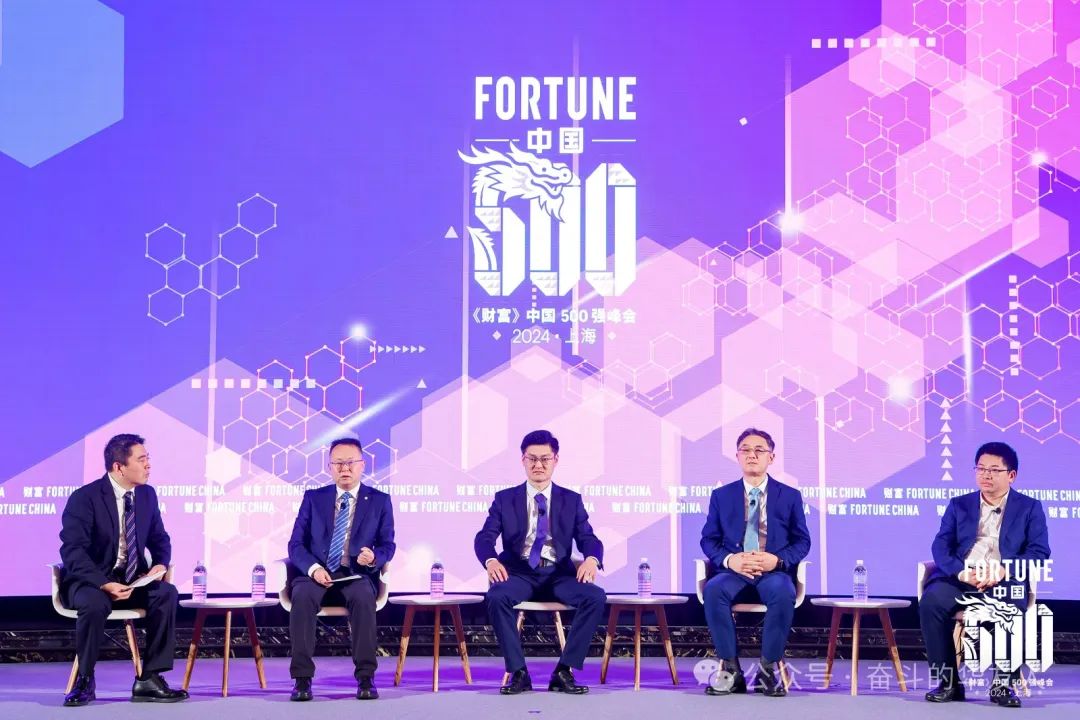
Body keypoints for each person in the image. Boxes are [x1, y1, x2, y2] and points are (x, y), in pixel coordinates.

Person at [59, 433, 188, 706]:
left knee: (166, 594)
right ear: (119, 467)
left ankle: (149, 678)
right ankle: (85, 679)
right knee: (94, 604)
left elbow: (160, 539)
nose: (148, 465)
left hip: (131, 581)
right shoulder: (85, 498)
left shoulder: (146, 495)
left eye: (148, 458)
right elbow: (73, 551)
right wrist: (104, 583)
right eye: (141, 460)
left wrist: (160, 564)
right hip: (91, 582)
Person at [475, 429, 606, 695]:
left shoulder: (571, 500)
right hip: (519, 574)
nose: (538, 465)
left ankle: (564, 671)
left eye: (545, 459)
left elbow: (588, 538)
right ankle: (519, 673)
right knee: (496, 596)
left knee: (595, 596)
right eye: (532, 458)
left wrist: (592, 559)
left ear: (555, 460)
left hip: (558, 576)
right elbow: (484, 537)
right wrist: (490, 560)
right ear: (522, 460)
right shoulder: (504, 499)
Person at [920, 441, 1050, 708]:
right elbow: (940, 546)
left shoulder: (1029, 507)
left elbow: (1039, 552)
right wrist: (961, 573)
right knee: (931, 603)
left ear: (1011, 475)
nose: (986, 475)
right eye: (980, 469)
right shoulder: (959, 505)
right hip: (962, 578)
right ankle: (948, 683)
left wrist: (1004, 570)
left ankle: (1002, 685)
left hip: (1004, 579)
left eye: (993, 470)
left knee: (1012, 607)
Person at [700, 428, 811, 697]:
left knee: (783, 592)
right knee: (714, 590)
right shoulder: (721, 495)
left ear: (771, 457)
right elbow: (708, 540)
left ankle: (767, 670)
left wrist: (778, 560)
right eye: (746, 450)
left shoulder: (789, 495)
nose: (752, 455)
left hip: (772, 573)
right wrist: (730, 560)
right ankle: (731, 672)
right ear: (737, 456)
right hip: (735, 573)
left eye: (759, 450)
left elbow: (802, 541)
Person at [286, 438, 396, 701]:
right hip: (317, 575)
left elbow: (388, 545)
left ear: (362, 465)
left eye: (350, 462)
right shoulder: (314, 498)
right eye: (338, 463)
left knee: (363, 597)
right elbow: (295, 544)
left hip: (354, 574)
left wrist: (374, 557)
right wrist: (313, 569)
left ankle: (366, 678)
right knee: (302, 596)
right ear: (329, 467)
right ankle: (302, 680)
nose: (344, 468)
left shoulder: (379, 500)